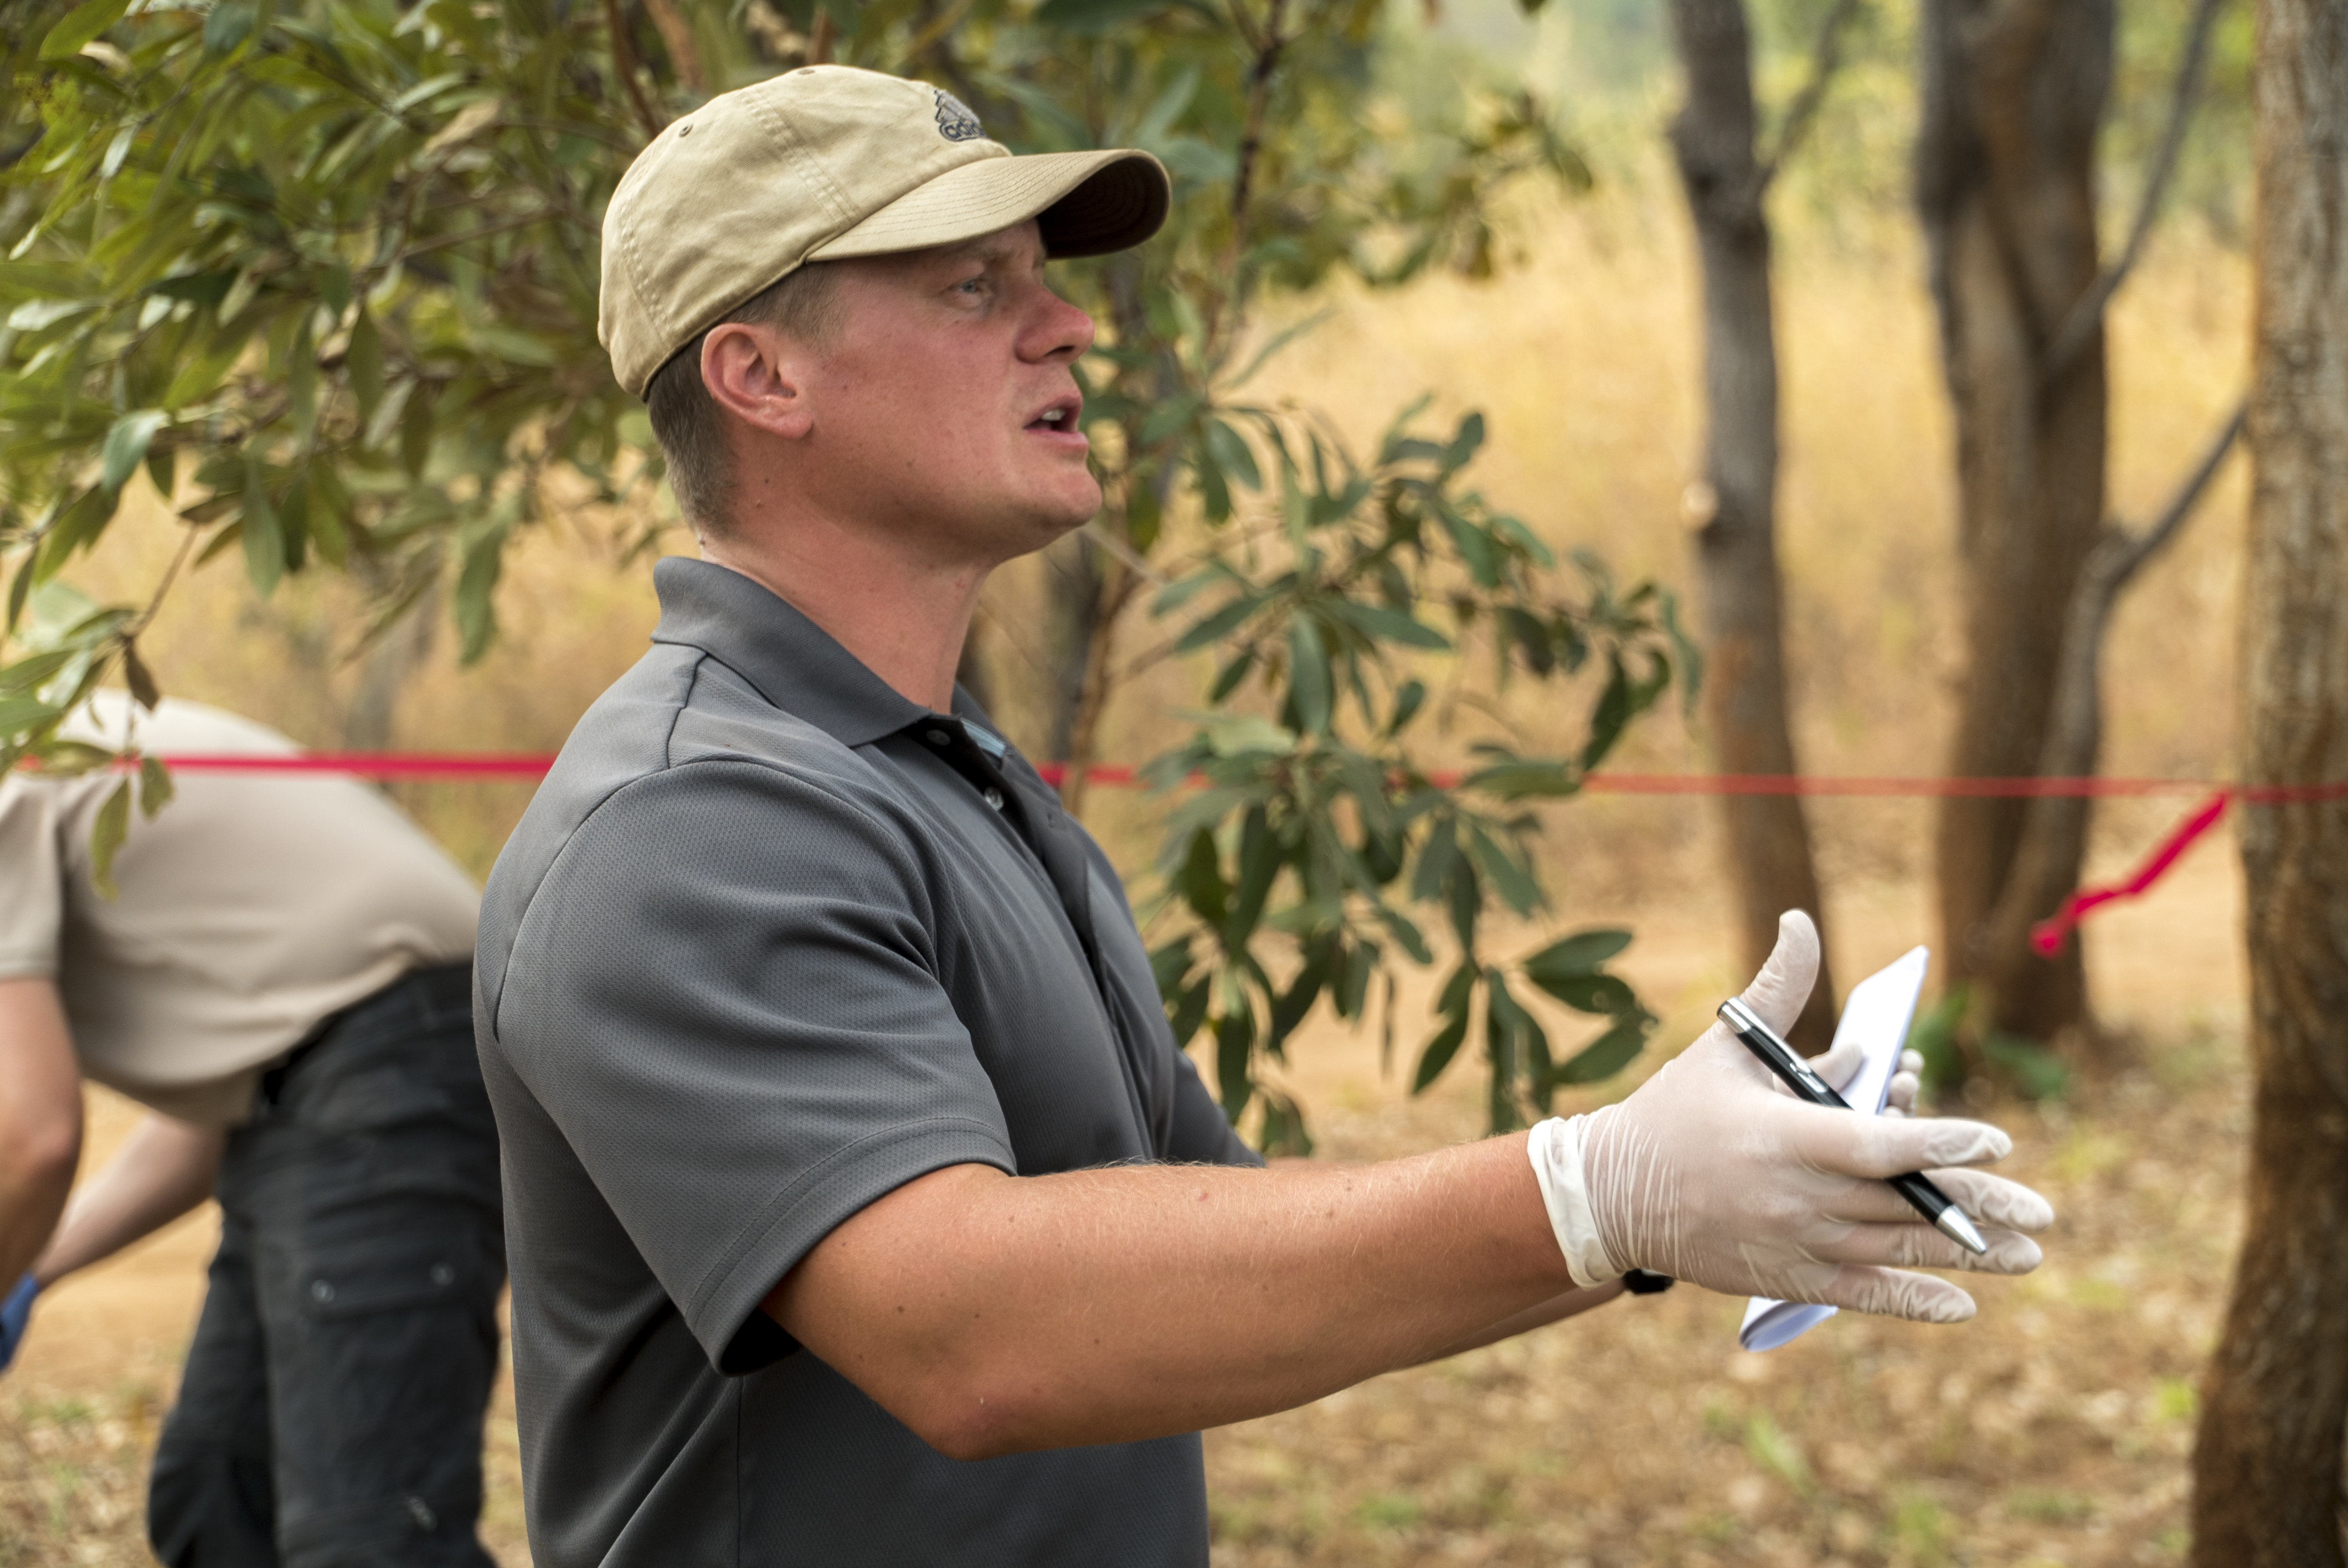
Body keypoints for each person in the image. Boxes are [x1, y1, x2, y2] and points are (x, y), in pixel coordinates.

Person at [474, 64, 2055, 1567]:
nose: (1069, 324)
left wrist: (1683, 1197)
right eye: (974, 286)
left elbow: (1219, 1260)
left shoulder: (949, 775)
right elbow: (969, 1336)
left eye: (1044, 274)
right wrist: (1592, 1186)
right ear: (762, 375)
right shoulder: (686, 827)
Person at [0, 689, 504, 1567]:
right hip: (329, 1089)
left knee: (367, 1537)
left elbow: (31, 1136)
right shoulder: (48, 740)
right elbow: (222, 1101)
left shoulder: (19, 767)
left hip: (402, 1065)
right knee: (221, 1498)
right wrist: (33, 1271)